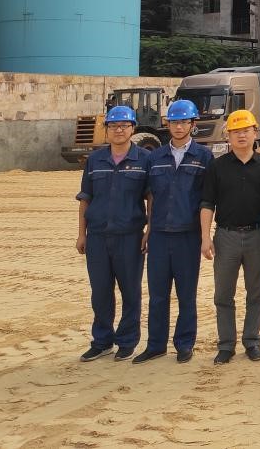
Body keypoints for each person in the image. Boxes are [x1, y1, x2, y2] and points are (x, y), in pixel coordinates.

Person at [133, 99, 212, 364]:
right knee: (157, 295)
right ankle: (156, 345)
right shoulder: (154, 157)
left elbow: (208, 200)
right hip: (159, 235)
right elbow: (150, 196)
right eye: (174, 122)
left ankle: (185, 344)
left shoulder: (204, 157)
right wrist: (148, 228)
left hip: (188, 235)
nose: (179, 127)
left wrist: (205, 235)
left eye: (184, 122)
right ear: (168, 125)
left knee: (186, 294)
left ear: (193, 124)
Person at [75, 105, 151, 362]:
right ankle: (102, 341)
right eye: (114, 126)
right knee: (100, 292)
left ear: (133, 128)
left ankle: (127, 341)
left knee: (130, 291)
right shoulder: (95, 160)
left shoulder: (144, 159)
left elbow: (151, 197)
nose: (119, 130)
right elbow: (85, 199)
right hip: (97, 236)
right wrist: (82, 234)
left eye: (124, 125)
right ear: (106, 129)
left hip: (130, 236)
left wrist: (149, 230)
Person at [199, 109, 260, 365]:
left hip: (257, 235)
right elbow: (207, 203)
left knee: (257, 293)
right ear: (228, 136)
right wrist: (205, 237)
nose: (241, 135)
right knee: (223, 294)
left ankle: (252, 341)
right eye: (236, 131)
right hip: (226, 237)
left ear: (255, 133)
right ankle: (226, 345)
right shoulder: (217, 166)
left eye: (246, 130)